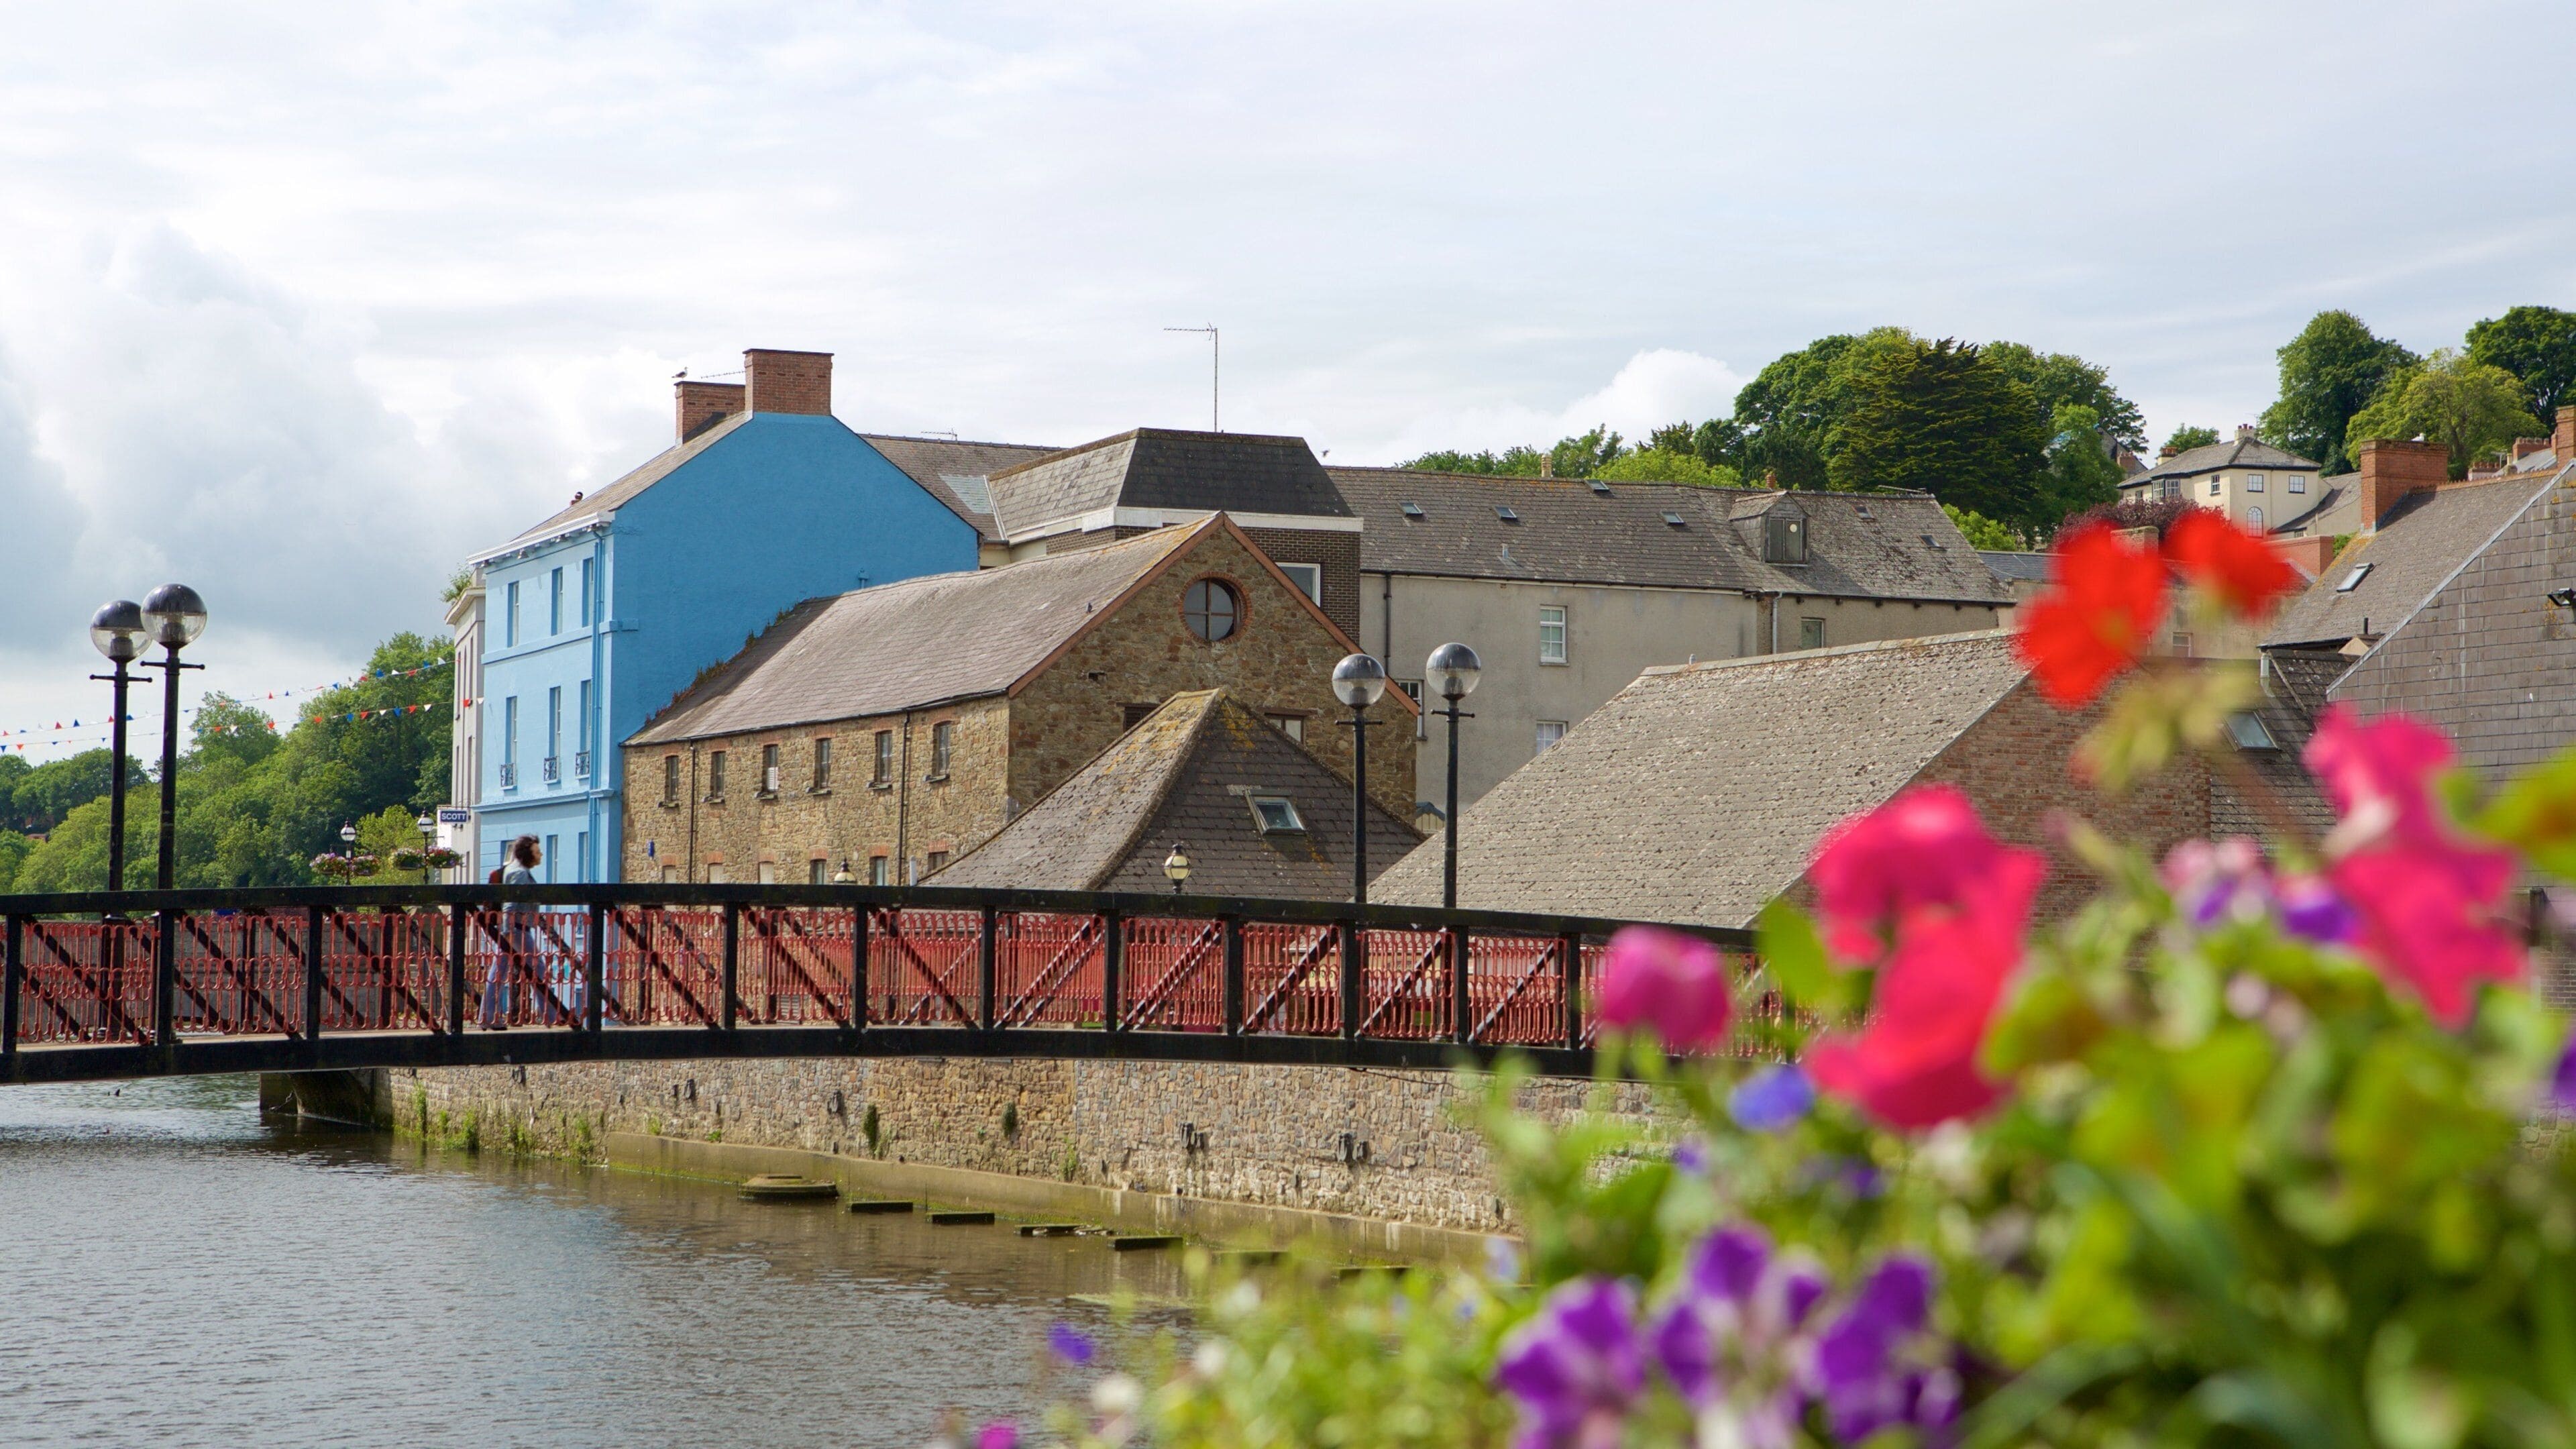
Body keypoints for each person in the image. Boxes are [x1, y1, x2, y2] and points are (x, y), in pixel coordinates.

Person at [480, 836, 543, 1029]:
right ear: (527, 854)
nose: (540, 854)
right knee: (538, 968)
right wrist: (507, 932)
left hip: (511, 929)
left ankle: (488, 1017)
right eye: (537, 851)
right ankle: (549, 1014)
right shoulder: (520, 873)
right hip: (517, 929)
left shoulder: (511, 869)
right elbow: (510, 905)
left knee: (498, 973)